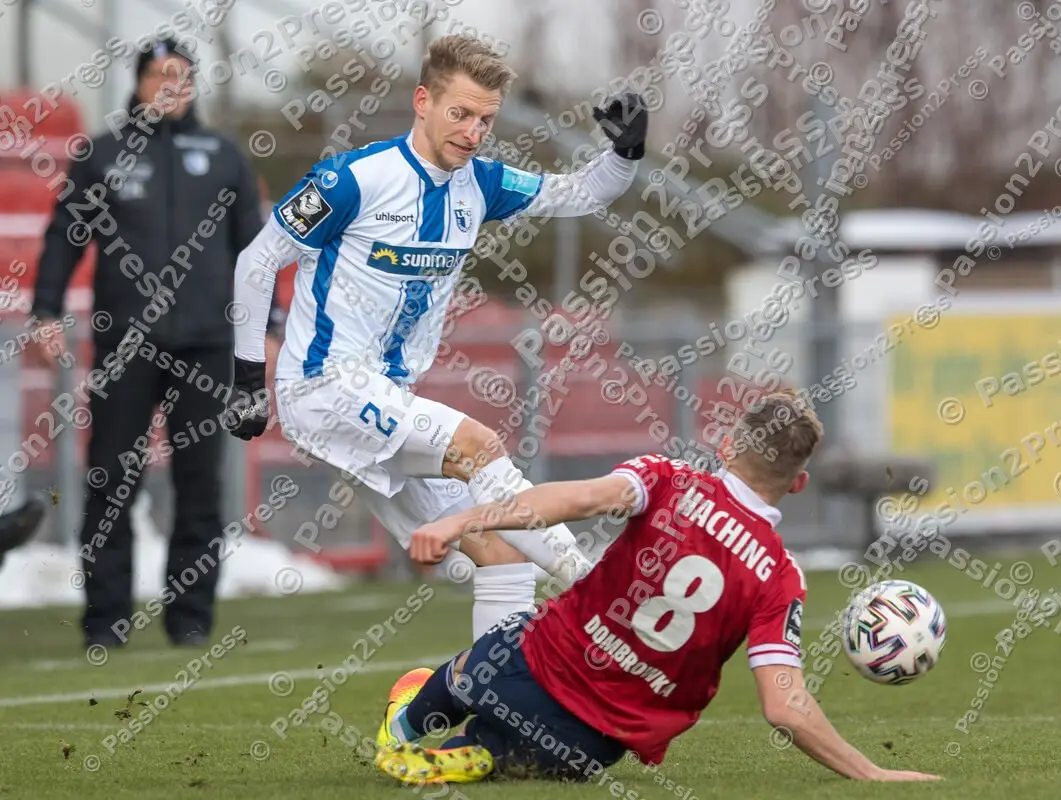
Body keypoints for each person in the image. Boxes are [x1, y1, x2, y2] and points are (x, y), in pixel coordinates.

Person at [226, 35, 648, 644]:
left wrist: (627, 151)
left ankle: (497, 703)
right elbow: (257, 262)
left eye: (486, 120)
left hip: (389, 398)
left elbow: (581, 193)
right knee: (480, 446)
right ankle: (598, 592)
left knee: (503, 555)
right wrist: (246, 379)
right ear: (423, 102)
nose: (474, 132)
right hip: (325, 386)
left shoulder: (482, 185)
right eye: (461, 114)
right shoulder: (353, 179)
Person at [372, 389, 941, 785]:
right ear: (798, 483)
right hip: (589, 747)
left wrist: (461, 520)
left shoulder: (666, 480)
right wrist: (872, 772)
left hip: (519, 671)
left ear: (726, 446)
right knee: (521, 751)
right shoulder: (779, 576)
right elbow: (784, 706)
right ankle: (482, 754)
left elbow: (570, 501)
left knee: (480, 662)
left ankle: (410, 721)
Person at [29, 38, 280, 648]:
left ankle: (191, 622)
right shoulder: (103, 154)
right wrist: (45, 311)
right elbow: (65, 235)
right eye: (161, 75)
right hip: (125, 346)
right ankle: (105, 622)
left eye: (183, 76)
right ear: (139, 84)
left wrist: (267, 327)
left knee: (200, 484)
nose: (173, 85)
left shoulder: (222, 155)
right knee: (112, 480)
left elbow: (258, 248)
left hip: (207, 345)